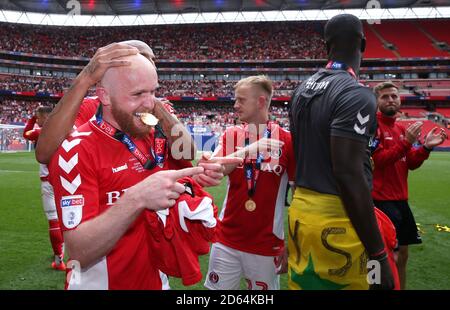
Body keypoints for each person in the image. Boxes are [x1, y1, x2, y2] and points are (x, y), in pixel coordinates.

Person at [48, 53, 207, 289]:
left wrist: (202, 173)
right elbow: (79, 251)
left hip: (158, 281)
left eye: (153, 92)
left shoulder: (153, 135)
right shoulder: (76, 150)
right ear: (105, 95)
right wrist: (137, 198)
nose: (149, 103)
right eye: (137, 94)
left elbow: (186, 158)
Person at [288, 14, 394, 290]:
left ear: (326, 47)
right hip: (337, 220)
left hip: (300, 214)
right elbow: (348, 172)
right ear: (363, 44)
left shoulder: (301, 90)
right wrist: (379, 255)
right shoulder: (357, 94)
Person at [36, 40, 223, 188]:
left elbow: (187, 153)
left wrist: (153, 104)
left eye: (152, 60)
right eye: (141, 58)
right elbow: (44, 153)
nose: (149, 64)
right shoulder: (91, 106)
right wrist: (85, 79)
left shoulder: (159, 107)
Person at [204, 75, 295, 290]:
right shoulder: (232, 134)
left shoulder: (287, 141)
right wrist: (249, 150)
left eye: (241, 100)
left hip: (266, 244)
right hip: (226, 239)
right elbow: (213, 170)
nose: (235, 105)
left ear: (261, 101)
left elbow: (299, 196)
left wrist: (292, 244)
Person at [371, 81, 447, 289]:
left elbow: (410, 162)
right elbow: (378, 161)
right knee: (380, 258)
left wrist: (425, 148)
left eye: (394, 96)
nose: (391, 100)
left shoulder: (401, 128)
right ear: (376, 101)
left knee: (403, 256)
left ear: (399, 99)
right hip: (379, 201)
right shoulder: (372, 127)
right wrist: (406, 143)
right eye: (385, 96)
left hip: (401, 201)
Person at [23, 106, 65, 271]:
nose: (36, 120)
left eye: (38, 118)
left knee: (53, 219)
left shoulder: (40, 131)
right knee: (70, 216)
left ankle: (58, 260)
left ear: (44, 118)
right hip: (67, 180)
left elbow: (25, 134)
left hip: (49, 181)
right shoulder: (67, 128)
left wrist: (32, 120)